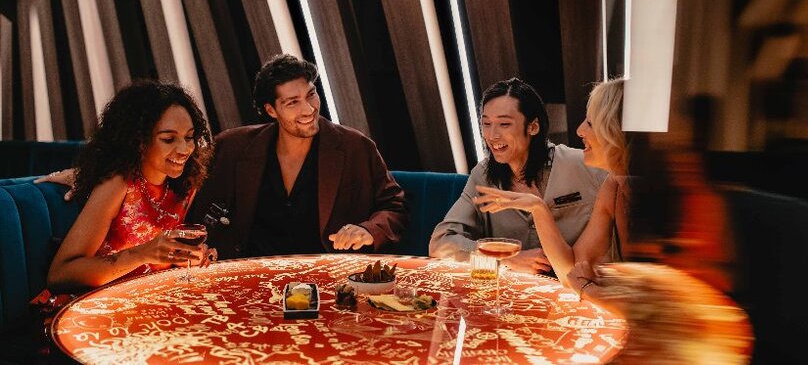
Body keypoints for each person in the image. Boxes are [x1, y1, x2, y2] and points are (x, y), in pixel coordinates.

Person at [186, 54, 407, 258]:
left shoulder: (355, 147)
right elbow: (200, 215)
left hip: (327, 274)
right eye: (293, 102)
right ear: (271, 110)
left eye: (311, 95)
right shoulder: (232, 147)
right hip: (253, 274)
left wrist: (367, 230)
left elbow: (394, 207)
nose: (309, 109)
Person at [47, 81, 215, 291]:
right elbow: (61, 273)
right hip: (101, 301)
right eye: (169, 139)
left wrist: (186, 256)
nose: (185, 149)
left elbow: (160, 263)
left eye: (189, 137)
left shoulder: (185, 185)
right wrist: (142, 253)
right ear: (139, 141)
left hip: (154, 296)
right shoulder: (119, 184)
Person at [429, 78, 607, 275]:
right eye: (486, 123)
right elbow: (441, 243)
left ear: (533, 127)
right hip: (518, 296)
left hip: (579, 288)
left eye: (504, 124)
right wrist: (506, 259)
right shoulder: (483, 175)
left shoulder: (586, 166)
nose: (492, 135)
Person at [473, 79, 629, 287]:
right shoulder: (613, 187)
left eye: (590, 123)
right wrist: (538, 208)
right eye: (486, 123)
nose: (580, 130)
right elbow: (571, 274)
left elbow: (648, 294)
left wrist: (594, 293)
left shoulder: (651, 190)